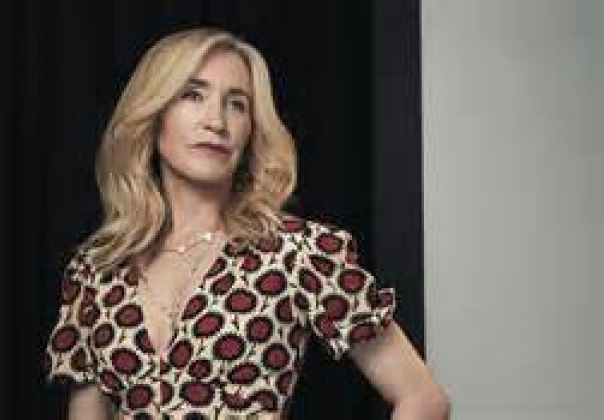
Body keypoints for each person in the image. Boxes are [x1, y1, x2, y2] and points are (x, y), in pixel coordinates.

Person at [43, 27, 450, 420]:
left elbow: (423, 400)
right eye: (193, 95)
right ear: (154, 113)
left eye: (236, 104)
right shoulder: (96, 272)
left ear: (252, 129)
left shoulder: (298, 253)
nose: (216, 121)